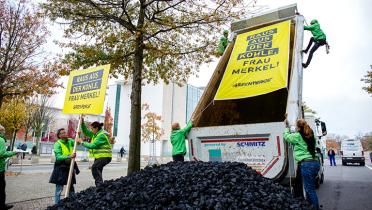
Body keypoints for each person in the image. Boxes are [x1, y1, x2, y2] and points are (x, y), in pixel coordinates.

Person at [283, 118, 320, 210]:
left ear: (298, 127)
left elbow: (287, 137)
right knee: (309, 188)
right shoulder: (311, 135)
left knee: (310, 189)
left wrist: (286, 127)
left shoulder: (298, 136)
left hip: (306, 164)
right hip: (315, 163)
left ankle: (315, 208)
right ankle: (310, 206)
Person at [77, 118, 112, 187]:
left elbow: (93, 145)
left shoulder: (101, 135)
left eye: (92, 129)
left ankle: (99, 185)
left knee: (95, 168)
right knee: (98, 171)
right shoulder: (95, 134)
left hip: (104, 156)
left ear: (96, 128)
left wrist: (81, 142)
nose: (91, 130)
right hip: (99, 156)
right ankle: (100, 186)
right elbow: (86, 132)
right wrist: (82, 123)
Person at [49, 128, 79, 204]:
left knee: (71, 187)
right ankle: (57, 205)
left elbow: (77, 143)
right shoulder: (57, 144)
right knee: (59, 188)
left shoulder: (70, 141)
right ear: (59, 135)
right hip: (61, 167)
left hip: (70, 167)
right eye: (62, 133)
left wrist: (78, 134)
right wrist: (69, 156)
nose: (65, 133)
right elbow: (58, 157)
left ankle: (73, 203)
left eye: (65, 132)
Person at [0, 124, 17, 209]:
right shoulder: (1, 140)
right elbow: (1, 154)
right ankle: (2, 205)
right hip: (0, 169)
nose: (4, 132)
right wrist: (13, 153)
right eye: (3, 131)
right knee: (1, 188)